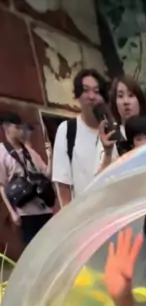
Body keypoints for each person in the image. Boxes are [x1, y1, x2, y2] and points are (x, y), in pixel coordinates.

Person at [52, 68, 111, 205]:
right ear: (77, 96)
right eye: (85, 90)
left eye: (97, 91)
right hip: (84, 212)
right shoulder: (67, 130)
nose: (91, 96)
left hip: (115, 211)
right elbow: (63, 183)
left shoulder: (113, 130)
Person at [0, 112, 54, 247]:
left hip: (44, 210)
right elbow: (2, 185)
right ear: (6, 128)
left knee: (50, 247)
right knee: (34, 249)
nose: (21, 131)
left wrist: (50, 157)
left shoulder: (30, 152)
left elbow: (47, 175)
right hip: (25, 213)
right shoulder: (2, 152)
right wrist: (12, 212)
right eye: (17, 127)